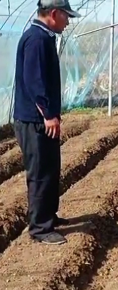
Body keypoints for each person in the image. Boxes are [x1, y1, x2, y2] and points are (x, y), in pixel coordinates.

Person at [13, 0, 81, 245]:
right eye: (66, 16)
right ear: (54, 13)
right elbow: (34, 82)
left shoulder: (44, 37)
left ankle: (48, 217)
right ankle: (40, 228)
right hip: (34, 120)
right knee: (40, 172)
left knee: (51, 170)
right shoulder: (36, 40)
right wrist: (48, 114)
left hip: (42, 119)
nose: (68, 20)